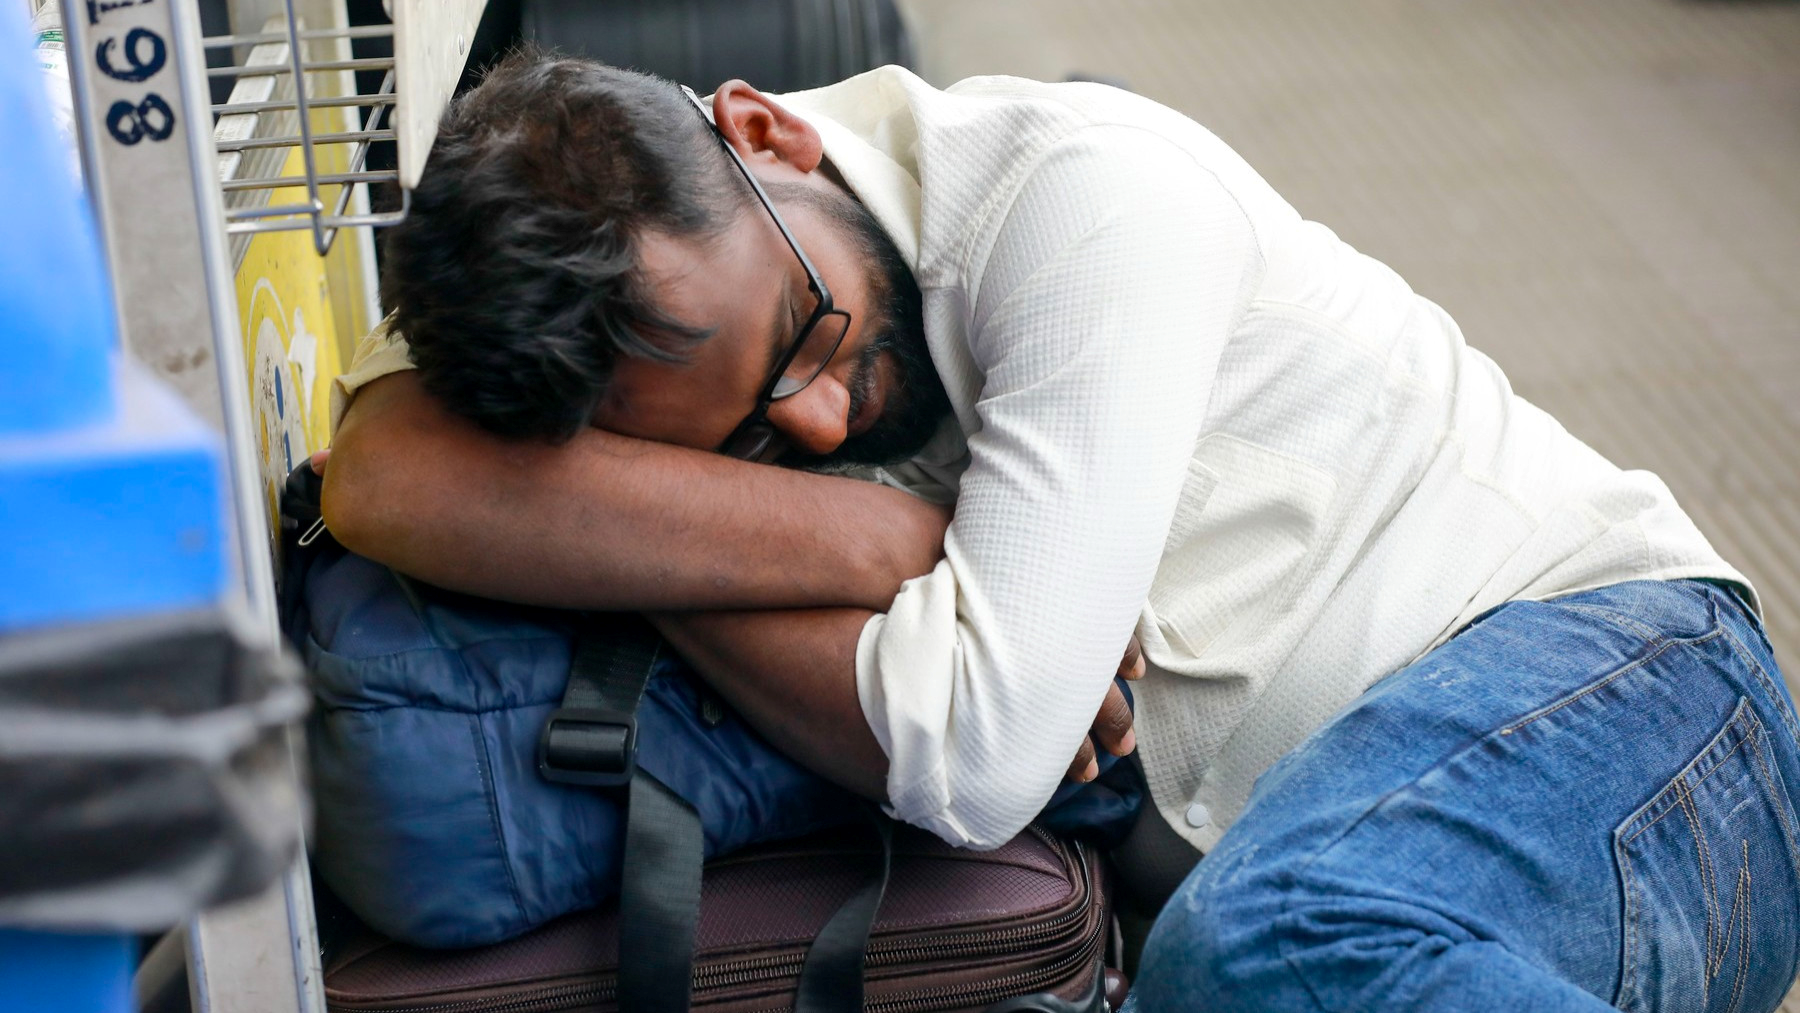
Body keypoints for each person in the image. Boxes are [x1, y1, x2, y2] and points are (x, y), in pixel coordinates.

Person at [321, 51, 1800, 1010]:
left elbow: (974, 751)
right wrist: (883, 549)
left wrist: (631, 536)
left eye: (804, 339)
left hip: (1631, 711)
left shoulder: (1080, 200)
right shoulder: (675, 330)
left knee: (1260, 957)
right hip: (1394, 866)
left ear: (765, 131)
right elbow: (382, 474)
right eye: (748, 442)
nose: (822, 425)